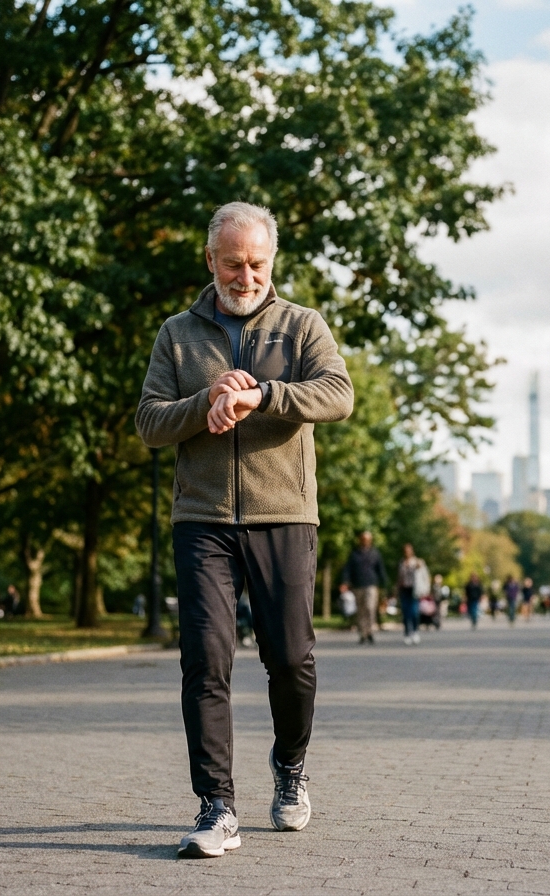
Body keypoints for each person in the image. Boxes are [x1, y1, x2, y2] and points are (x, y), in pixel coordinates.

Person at [136, 201, 354, 857]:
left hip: (284, 515)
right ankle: (215, 807)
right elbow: (149, 422)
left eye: (257, 262)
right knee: (205, 658)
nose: (245, 274)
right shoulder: (177, 334)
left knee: (290, 660)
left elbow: (338, 395)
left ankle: (290, 768)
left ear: (271, 262)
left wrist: (263, 394)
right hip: (201, 519)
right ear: (210, 261)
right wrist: (206, 405)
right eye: (232, 262)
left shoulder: (301, 326)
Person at [341, 531, 387, 644]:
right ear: (360, 540)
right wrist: (345, 582)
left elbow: (380, 569)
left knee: (370, 608)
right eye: (363, 539)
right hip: (357, 585)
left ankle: (370, 631)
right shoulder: (354, 554)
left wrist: (384, 584)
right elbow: (348, 569)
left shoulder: (375, 553)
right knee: (360, 610)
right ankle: (362, 633)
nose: (365, 541)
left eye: (367, 539)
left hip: (371, 585)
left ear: (370, 540)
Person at [397, 544, 429, 646]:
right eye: (405, 551)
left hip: (414, 590)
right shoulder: (402, 563)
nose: (407, 552)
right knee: (406, 613)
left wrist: (426, 589)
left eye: (408, 550)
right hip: (404, 590)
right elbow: (399, 577)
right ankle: (407, 633)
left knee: (414, 612)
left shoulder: (418, 562)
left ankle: (415, 631)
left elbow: (425, 575)